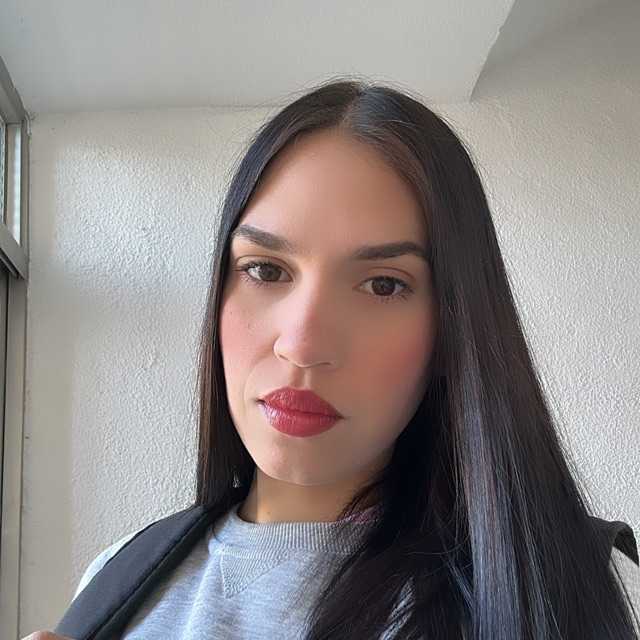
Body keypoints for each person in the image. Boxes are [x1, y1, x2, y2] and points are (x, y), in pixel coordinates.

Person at [30, 78, 639, 639]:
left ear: (453, 326)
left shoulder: (561, 588)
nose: (302, 344)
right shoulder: (116, 578)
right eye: (266, 270)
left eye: (382, 284)